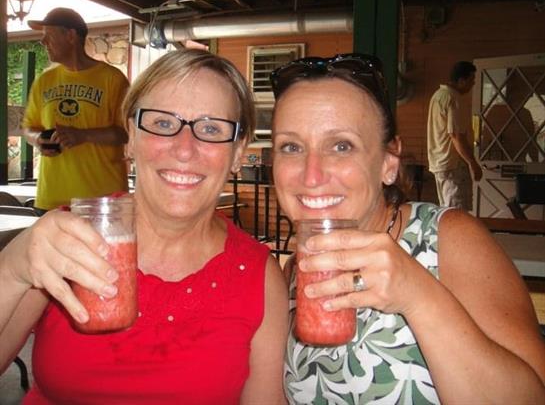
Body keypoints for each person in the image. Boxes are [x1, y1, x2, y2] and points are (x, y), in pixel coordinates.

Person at [0, 49, 288, 404]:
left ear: (238, 151)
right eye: (163, 124)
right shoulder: (71, 238)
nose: (185, 149)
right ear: (131, 136)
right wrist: (12, 267)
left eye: (211, 128)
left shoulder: (260, 277)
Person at [270, 54, 545, 403]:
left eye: (341, 145)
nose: (311, 175)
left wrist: (417, 295)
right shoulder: (295, 272)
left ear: (389, 162)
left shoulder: (448, 240)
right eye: (291, 147)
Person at [23, 7, 129, 214]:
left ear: (71, 36)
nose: (43, 42)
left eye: (49, 35)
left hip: (102, 201)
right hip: (51, 199)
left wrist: (83, 135)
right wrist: (38, 139)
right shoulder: (44, 80)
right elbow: (28, 128)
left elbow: (126, 133)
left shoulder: (113, 79)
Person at [427, 61, 482, 210]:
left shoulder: (438, 95)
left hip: (440, 162)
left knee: (447, 209)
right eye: (471, 80)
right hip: (453, 164)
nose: (473, 84)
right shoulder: (454, 98)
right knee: (456, 212)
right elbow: (457, 136)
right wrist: (472, 163)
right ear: (462, 80)